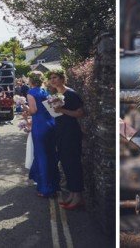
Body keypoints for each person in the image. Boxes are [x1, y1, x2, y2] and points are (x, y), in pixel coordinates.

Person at [48, 69, 85, 209]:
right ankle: (72, 195)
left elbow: (80, 113)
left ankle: (78, 197)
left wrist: (62, 111)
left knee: (73, 163)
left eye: (55, 77)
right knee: (66, 163)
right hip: (61, 131)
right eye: (51, 77)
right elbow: (56, 114)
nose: (53, 80)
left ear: (62, 79)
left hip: (71, 132)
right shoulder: (56, 94)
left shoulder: (71, 94)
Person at [24, 71, 59, 198]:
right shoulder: (45, 91)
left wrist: (24, 108)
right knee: (51, 155)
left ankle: (45, 188)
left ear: (31, 80)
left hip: (39, 125)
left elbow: (33, 110)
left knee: (41, 156)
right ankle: (54, 185)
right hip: (51, 124)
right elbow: (53, 109)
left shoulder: (31, 92)